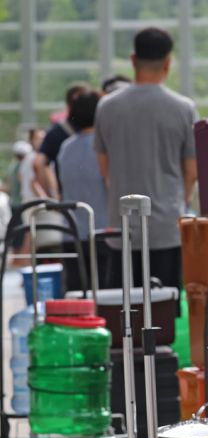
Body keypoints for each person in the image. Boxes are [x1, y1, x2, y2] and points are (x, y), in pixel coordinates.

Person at [94, 27, 198, 289]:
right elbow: (191, 171)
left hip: (122, 229)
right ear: (168, 63)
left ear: (132, 60)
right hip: (166, 229)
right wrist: (179, 201)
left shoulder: (107, 106)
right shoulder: (183, 108)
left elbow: (104, 169)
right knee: (163, 314)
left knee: (125, 315)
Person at [58, 89, 110, 290]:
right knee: (107, 299)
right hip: (104, 232)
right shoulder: (104, 147)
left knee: (78, 298)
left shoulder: (65, 148)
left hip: (72, 233)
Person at [34, 82, 90, 198]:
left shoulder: (55, 132)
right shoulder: (97, 130)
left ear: (67, 104)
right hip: (98, 198)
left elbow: (38, 164)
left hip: (68, 199)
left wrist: (52, 196)